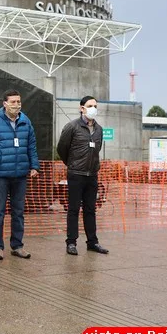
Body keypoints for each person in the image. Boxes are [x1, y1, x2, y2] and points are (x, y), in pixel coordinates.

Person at [0, 89, 39, 260]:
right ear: (4, 103)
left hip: (20, 175)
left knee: (18, 212)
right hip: (0, 176)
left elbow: (32, 146)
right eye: (13, 102)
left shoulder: (26, 122)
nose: (16, 105)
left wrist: (34, 165)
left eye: (18, 101)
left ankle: (17, 245)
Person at [57, 95, 109, 256]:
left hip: (92, 175)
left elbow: (96, 150)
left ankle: (92, 242)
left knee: (90, 210)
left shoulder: (99, 129)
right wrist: (72, 164)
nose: (93, 108)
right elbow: (62, 149)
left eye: (95, 106)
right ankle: (71, 242)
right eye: (90, 105)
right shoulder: (72, 127)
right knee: (73, 210)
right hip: (76, 174)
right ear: (82, 108)